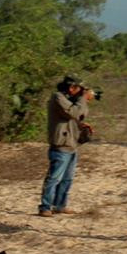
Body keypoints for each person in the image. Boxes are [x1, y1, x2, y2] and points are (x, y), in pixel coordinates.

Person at [40, 75, 93, 217]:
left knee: (67, 179)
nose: (82, 91)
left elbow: (81, 115)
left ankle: (59, 205)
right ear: (71, 87)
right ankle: (45, 206)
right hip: (61, 144)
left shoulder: (72, 100)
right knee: (54, 178)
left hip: (72, 144)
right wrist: (83, 99)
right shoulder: (58, 97)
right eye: (79, 88)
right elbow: (74, 112)